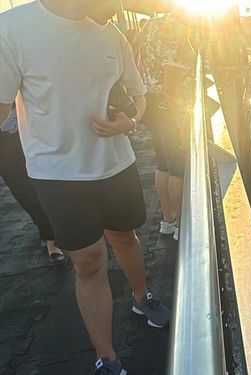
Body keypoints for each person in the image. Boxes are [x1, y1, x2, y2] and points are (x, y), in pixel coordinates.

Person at [0, 1, 170, 374]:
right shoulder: (12, 29)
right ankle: (106, 357)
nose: (119, 5)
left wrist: (130, 121)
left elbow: (137, 95)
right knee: (89, 263)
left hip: (117, 165)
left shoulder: (112, 34)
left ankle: (143, 297)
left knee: (126, 237)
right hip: (58, 175)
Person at [136, 8, 197, 241]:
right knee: (178, 170)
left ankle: (167, 219)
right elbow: (171, 87)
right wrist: (180, 124)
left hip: (151, 107)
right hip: (170, 110)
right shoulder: (175, 33)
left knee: (163, 165)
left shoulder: (151, 26)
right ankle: (182, 227)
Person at [0, 105, 63, 262]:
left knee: (49, 182)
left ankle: (54, 234)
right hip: (4, 141)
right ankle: (47, 232)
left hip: (33, 130)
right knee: (22, 191)